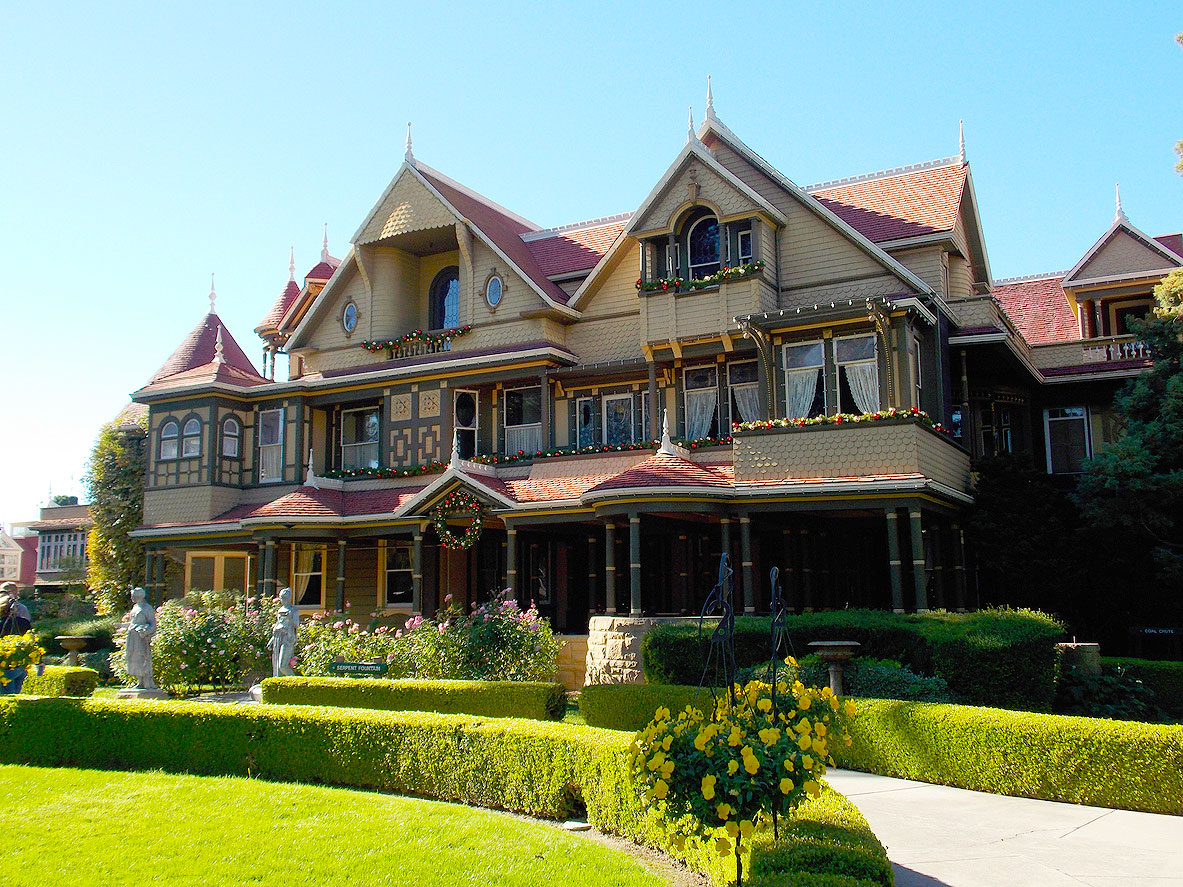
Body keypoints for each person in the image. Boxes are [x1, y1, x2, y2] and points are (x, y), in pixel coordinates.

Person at [0, 587, 33, 695]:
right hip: (20, 666)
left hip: (4, 666)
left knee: (6, 697)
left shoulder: (1, 623)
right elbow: (31, 640)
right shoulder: (24, 623)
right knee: (16, 696)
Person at [124, 586, 159, 690]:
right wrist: (121, 625)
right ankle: (140, 682)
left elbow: (153, 624)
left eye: (133, 596)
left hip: (141, 638)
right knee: (134, 658)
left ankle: (147, 683)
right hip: (133, 637)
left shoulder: (147, 608)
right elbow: (133, 623)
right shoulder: (135, 607)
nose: (132, 598)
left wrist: (146, 632)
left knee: (142, 657)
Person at [267, 587, 299, 678]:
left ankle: (295, 684)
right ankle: (280, 687)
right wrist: (271, 641)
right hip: (277, 637)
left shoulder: (293, 610)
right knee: (277, 666)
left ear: (289, 598)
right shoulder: (280, 610)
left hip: (288, 638)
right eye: (281, 598)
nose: (283, 600)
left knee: (283, 665)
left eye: (285, 598)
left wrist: (289, 618)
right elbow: (278, 625)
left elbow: (296, 624)